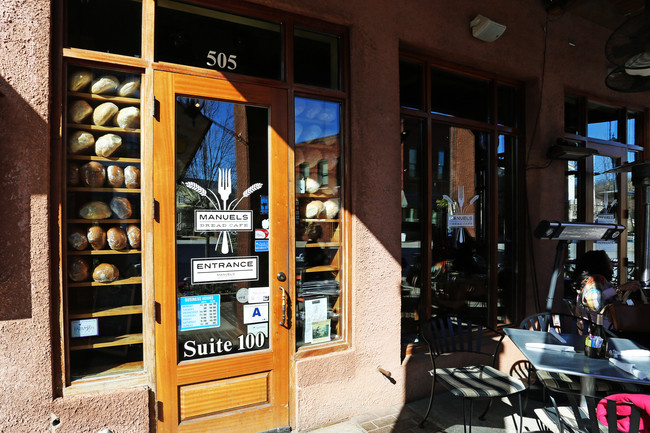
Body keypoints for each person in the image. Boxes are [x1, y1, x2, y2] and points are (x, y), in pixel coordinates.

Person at [573, 250, 641, 314]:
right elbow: (596, 301)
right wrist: (620, 288)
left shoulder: (588, 282)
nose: (613, 266)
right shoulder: (595, 280)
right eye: (609, 262)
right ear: (601, 265)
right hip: (602, 325)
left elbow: (601, 295)